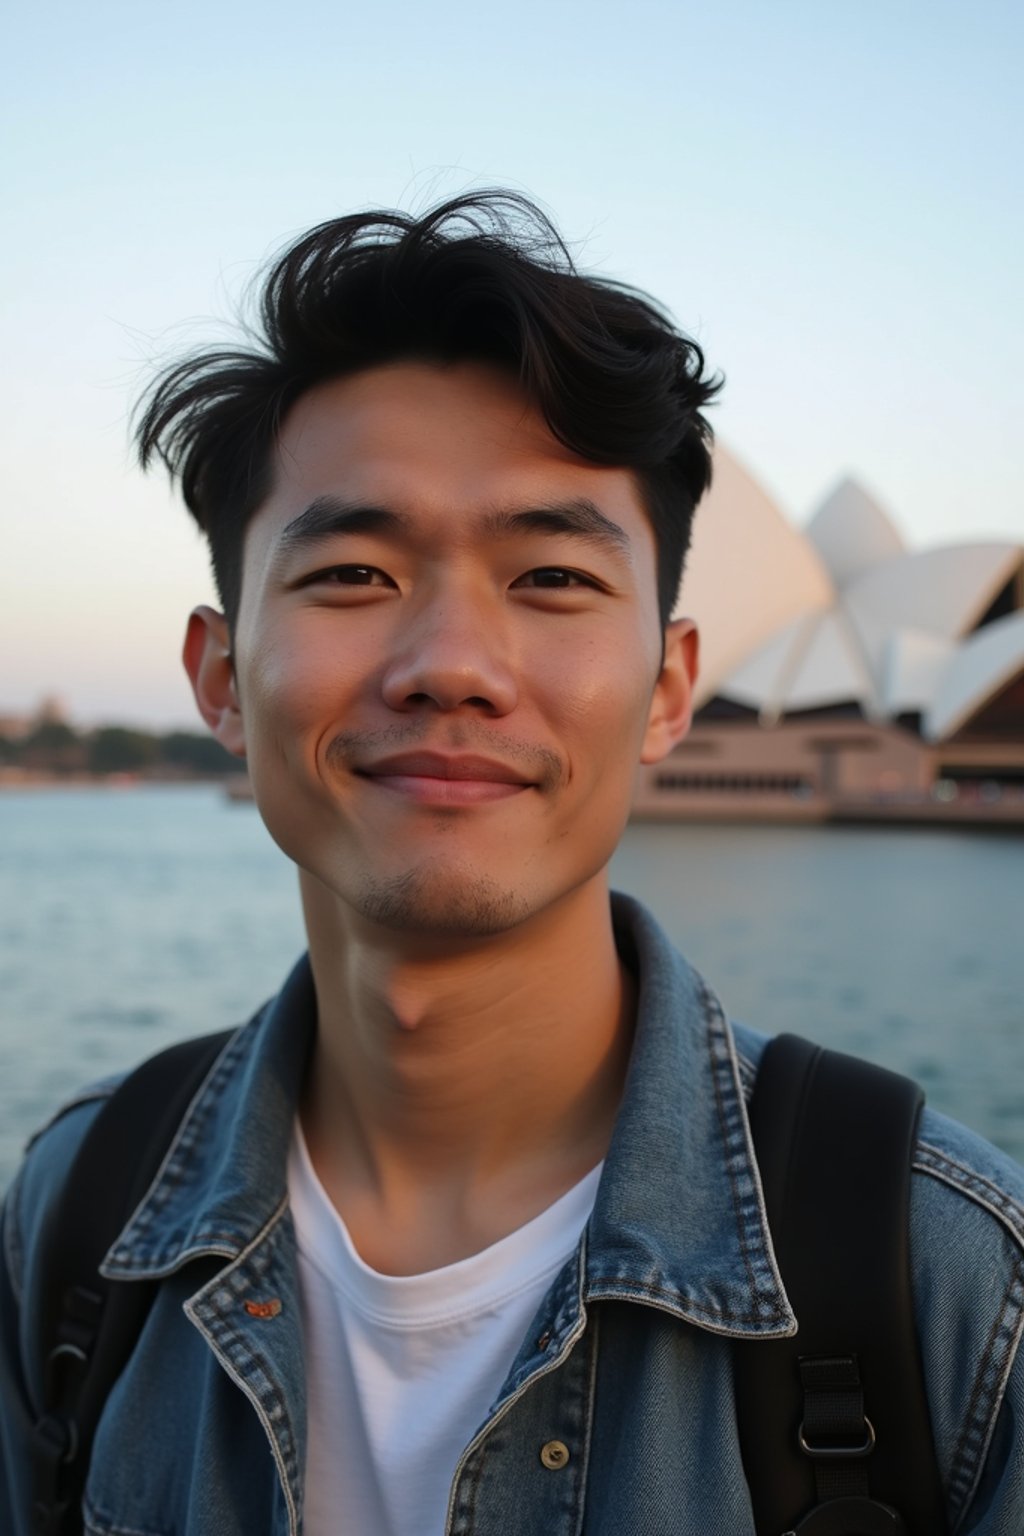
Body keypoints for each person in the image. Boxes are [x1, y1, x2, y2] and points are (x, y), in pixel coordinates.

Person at [1, 191, 1022, 1536]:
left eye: (551, 578)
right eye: (354, 573)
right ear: (221, 677)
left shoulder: (938, 1275)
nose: (454, 670)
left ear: (669, 689)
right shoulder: (77, 1207)